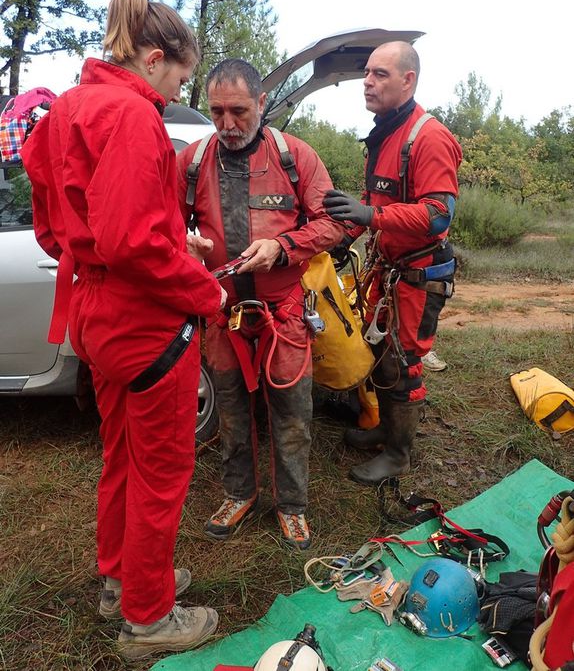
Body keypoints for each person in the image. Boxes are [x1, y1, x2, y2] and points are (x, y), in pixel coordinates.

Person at [21, 0, 225, 660]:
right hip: (145, 326)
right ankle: (147, 614)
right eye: (179, 77)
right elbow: (133, 240)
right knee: (162, 468)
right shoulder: (135, 117)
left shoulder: (68, 108)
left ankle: (122, 576)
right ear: (155, 57)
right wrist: (203, 288)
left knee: (121, 455)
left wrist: (164, 242)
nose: (174, 93)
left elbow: (62, 225)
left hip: (93, 314)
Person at [177, 59, 344, 550]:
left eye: (239, 111)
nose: (227, 124)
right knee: (229, 406)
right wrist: (185, 245)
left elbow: (336, 223)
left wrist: (284, 247)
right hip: (222, 315)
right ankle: (238, 493)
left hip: (284, 312)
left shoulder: (296, 157)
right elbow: (163, 224)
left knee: (292, 411)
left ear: (263, 103)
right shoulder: (191, 161)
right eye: (217, 112)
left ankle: (292, 507)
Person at [323, 41, 461, 485]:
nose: (367, 81)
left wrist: (371, 217)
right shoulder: (383, 135)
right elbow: (372, 201)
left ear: (409, 80)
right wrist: (346, 236)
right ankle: (385, 427)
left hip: (419, 275)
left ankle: (399, 455)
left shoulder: (428, 137)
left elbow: (439, 213)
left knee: (403, 362)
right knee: (382, 351)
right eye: (366, 72)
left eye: (380, 74)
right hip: (388, 270)